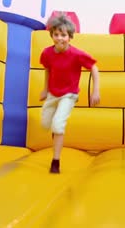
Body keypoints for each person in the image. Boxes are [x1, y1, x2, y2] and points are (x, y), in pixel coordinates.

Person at [39, 13, 100, 174]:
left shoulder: (77, 54)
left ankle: (55, 161)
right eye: (56, 34)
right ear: (51, 35)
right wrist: (45, 89)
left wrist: (96, 90)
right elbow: (47, 69)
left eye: (64, 35)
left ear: (70, 36)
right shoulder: (47, 53)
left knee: (58, 124)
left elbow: (93, 67)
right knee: (46, 124)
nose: (60, 38)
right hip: (53, 93)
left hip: (69, 94)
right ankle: (55, 129)